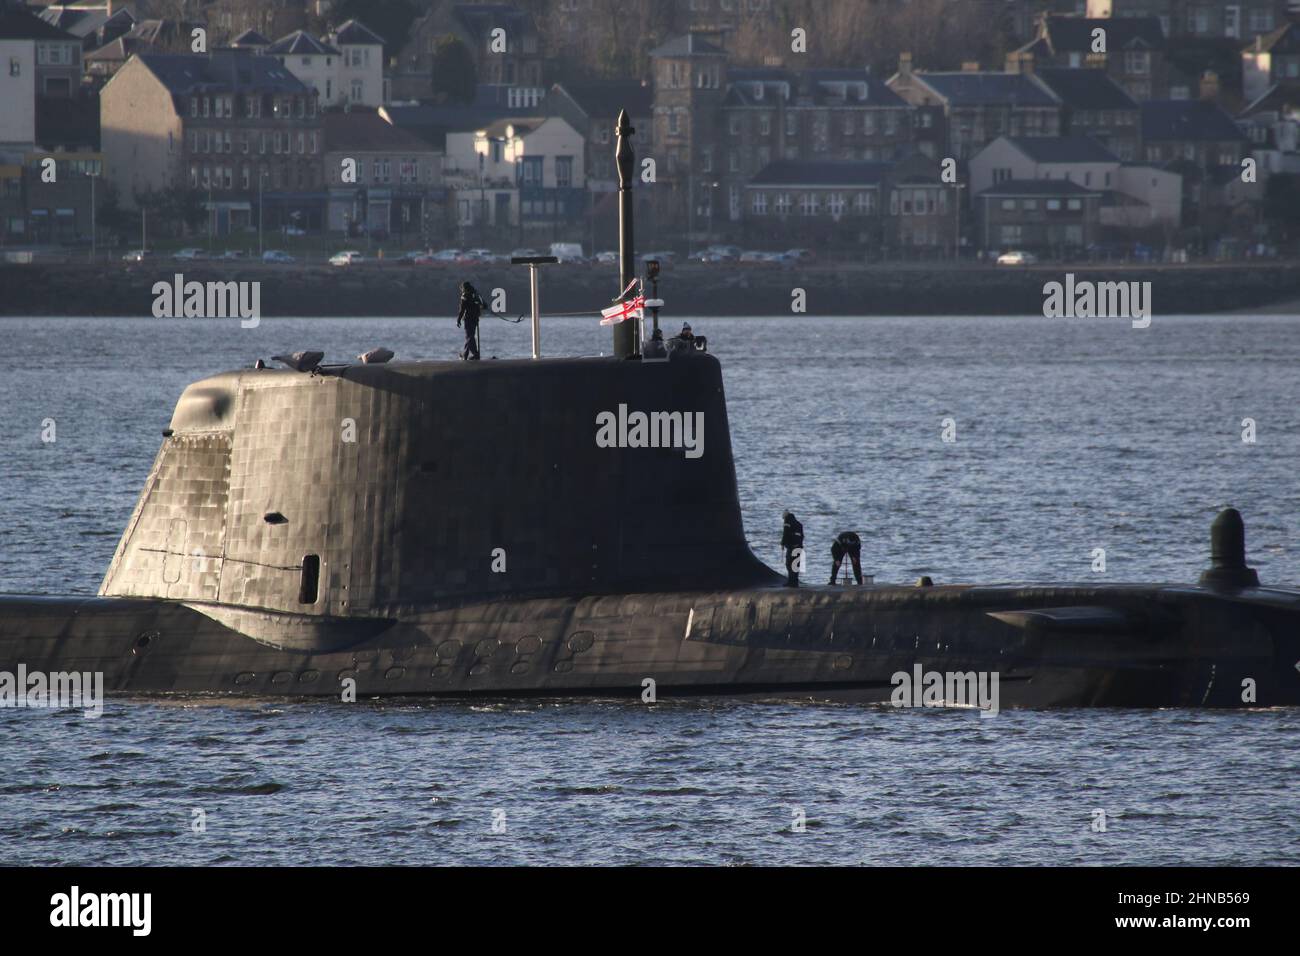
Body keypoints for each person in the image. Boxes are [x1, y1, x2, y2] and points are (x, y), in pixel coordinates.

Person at [456, 281, 484, 361]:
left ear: (464, 288)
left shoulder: (465, 296)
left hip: (469, 319)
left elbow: (462, 309)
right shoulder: (476, 294)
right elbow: (483, 304)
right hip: (475, 318)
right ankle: (470, 354)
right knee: (470, 336)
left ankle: (471, 354)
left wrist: (458, 320)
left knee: (469, 336)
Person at [781, 511, 804, 588]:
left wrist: (782, 543)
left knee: (789, 564)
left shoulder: (787, 521)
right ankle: (795, 582)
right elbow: (802, 536)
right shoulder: (799, 524)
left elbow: (785, 533)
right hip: (799, 546)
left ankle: (791, 582)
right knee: (796, 565)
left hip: (791, 547)